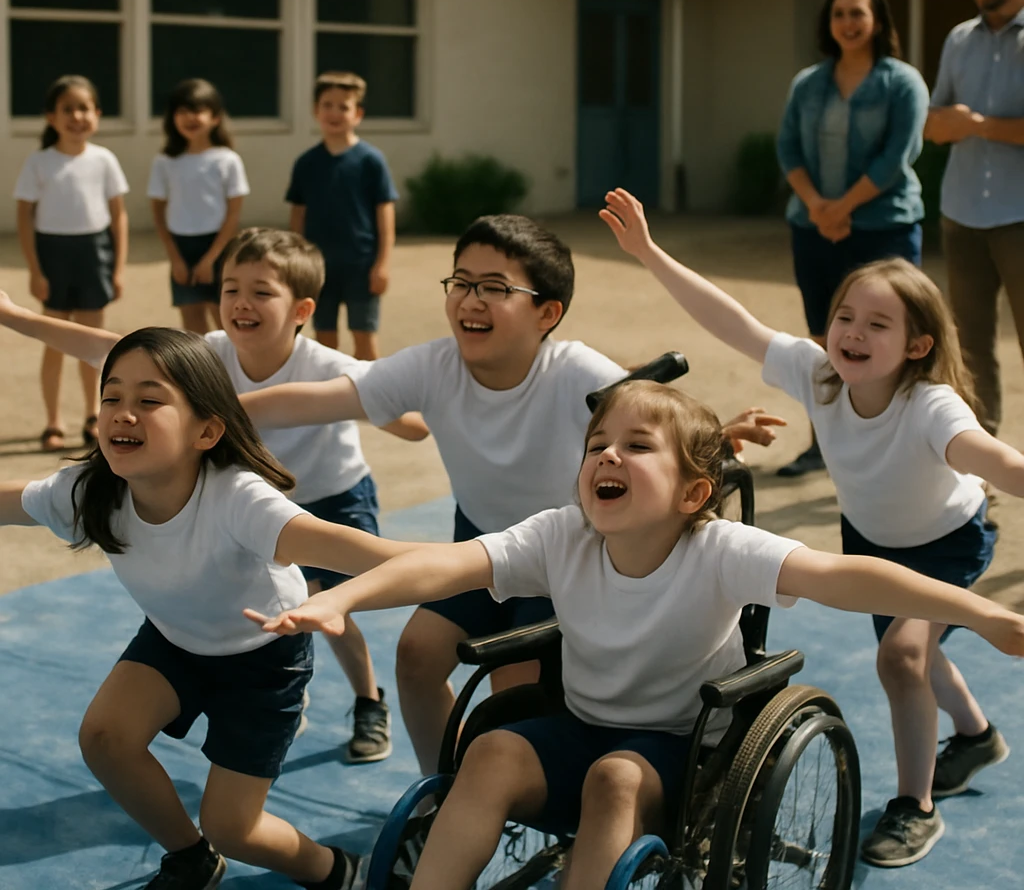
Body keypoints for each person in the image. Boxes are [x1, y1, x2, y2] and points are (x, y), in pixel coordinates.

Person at [246, 381, 1024, 890]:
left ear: (693, 492)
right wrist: (342, 598)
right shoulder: (562, 535)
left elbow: (848, 577)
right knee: (489, 751)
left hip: (681, 750)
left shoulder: (721, 551)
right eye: (596, 445)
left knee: (615, 779)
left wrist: (984, 613)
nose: (607, 454)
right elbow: (446, 566)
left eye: (636, 445)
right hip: (581, 726)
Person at [239, 214, 780, 783]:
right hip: (482, 548)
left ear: (547, 313)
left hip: (563, 560)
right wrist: (215, 409)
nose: (471, 300)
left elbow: (658, 420)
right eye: (462, 282)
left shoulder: (575, 372)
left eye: (496, 288)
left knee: (513, 691)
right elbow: (319, 399)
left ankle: (525, 791)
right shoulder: (433, 366)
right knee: (417, 653)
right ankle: (441, 789)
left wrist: (718, 434)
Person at [600, 187, 1024, 866]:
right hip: (873, 541)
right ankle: (975, 736)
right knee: (917, 649)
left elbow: (993, 459)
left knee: (902, 656)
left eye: (878, 325)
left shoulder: (931, 405)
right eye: (846, 316)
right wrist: (649, 253)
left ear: (918, 344)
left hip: (948, 539)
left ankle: (914, 807)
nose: (853, 332)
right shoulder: (821, 374)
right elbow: (730, 321)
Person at [0, 327, 436, 889]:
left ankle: (338, 872)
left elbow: (369, 554)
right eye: (111, 397)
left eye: (149, 400)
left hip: (263, 658)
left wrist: (491, 565)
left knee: (233, 826)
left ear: (206, 429)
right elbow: (11, 499)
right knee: (105, 737)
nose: (122, 414)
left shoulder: (239, 498)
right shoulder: (93, 489)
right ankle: (192, 857)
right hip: (174, 640)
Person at [0, 227, 430, 764]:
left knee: (321, 594)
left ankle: (369, 699)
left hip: (330, 496)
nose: (240, 303)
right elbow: (108, 348)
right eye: (230, 289)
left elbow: (413, 425)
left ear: (301, 309)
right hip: (247, 498)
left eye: (260, 291)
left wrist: (373, 405)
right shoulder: (208, 355)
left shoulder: (327, 365)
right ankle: (284, 690)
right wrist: (12, 316)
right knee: (260, 597)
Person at [775, 0, 929, 476]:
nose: (848, 22)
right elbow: (789, 149)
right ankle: (825, 446)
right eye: (840, 13)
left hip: (884, 229)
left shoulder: (902, 82)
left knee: (893, 340)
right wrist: (820, 206)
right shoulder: (808, 83)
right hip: (812, 227)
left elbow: (897, 157)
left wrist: (844, 207)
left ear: (879, 20)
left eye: (858, 13)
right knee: (825, 338)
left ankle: (897, 446)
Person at [924, 0, 1024, 437]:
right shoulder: (959, 39)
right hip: (961, 214)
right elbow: (936, 120)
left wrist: (979, 125)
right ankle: (985, 471)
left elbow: (967, 124)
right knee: (971, 349)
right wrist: (940, 124)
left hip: (1019, 217)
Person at [14, 74, 129, 452]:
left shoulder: (104, 159)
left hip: (93, 255)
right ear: (51, 117)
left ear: (96, 114)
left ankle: (94, 417)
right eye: (68, 109)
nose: (77, 116)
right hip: (54, 256)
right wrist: (35, 268)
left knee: (92, 345)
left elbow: (118, 215)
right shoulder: (40, 162)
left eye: (84, 108)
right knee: (55, 342)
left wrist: (118, 266)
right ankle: (53, 421)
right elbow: (25, 217)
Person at [288, 71, 397, 360]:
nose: (334, 112)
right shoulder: (306, 163)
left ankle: (373, 398)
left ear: (357, 113)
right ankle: (331, 400)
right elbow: (298, 214)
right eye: (327, 105)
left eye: (343, 106)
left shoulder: (371, 161)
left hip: (361, 265)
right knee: (324, 339)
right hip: (319, 267)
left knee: (364, 335)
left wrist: (382, 264)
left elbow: (385, 215)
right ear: (316, 111)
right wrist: (295, 262)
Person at [150, 78, 249, 335]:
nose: (190, 118)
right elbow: (159, 211)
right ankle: (200, 375)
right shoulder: (165, 161)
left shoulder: (227, 160)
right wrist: (175, 258)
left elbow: (233, 213)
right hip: (181, 247)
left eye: (198, 110)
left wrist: (211, 258)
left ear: (215, 117)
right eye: (182, 111)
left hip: (218, 246)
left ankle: (230, 375)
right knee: (192, 326)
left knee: (226, 321)